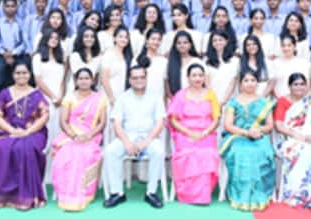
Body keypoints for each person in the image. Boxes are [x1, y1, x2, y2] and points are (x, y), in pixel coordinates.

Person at [103, 66, 167, 209]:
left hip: (149, 137)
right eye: (135, 78)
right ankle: (117, 193)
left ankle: (151, 192)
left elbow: (159, 123)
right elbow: (117, 123)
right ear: (130, 80)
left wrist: (146, 142)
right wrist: (127, 143)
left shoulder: (155, 97)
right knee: (110, 151)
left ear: (146, 78)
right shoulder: (123, 98)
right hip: (127, 136)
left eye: (142, 77)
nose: (139, 80)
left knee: (158, 151)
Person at [0, 61, 50, 210]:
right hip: (9, 131)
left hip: (34, 132)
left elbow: (44, 116)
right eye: (18, 73)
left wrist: (27, 132)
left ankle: (27, 197)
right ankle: (4, 196)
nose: (21, 76)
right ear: (13, 75)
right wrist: (11, 130)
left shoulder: (37, 94)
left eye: (24, 73)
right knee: (1, 149)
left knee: (26, 149)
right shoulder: (5, 93)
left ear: (29, 75)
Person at [274, 73, 311, 210]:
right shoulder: (283, 102)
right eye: (296, 84)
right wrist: (297, 135)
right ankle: (298, 193)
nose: (299, 87)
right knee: (302, 151)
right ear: (289, 86)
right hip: (290, 138)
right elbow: (279, 125)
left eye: (302, 84)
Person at [51, 68, 107, 211]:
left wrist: (88, 135)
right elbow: (63, 121)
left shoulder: (100, 98)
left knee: (85, 154)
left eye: (87, 78)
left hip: (91, 136)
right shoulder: (69, 97)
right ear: (76, 81)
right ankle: (66, 193)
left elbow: (102, 123)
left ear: (92, 80)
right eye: (80, 78)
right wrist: (74, 136)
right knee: (68, 154)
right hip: (70, 136)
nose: (84, 81)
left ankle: (84, 194)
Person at [219, 70, 276, 211]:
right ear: (241, 84)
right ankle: (241, 195)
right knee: (242, 153)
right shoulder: (233, 102)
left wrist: (258, 131)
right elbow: (228, 125)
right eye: (246, 80)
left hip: (258, 136)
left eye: (252, 80)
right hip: (237, 136)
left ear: (257, 83)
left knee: (260, 152)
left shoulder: (264, 102)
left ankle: (259, 195)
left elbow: (270, 126)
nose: (250, 83)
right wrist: (246, 132)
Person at [167, 64, 220, 204]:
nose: (197, 78)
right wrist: (189, 132)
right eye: (194, 75)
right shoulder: (180, 95)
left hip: (206, 133)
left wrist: (205, 132)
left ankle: (203, 196)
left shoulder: (211, 95)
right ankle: (188, 195)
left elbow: (216, 119)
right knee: (188, 154)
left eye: (200, 75)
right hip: (185, 133)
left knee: (207, 154)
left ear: (204, 77)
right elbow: (173, 120)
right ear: (188, 78)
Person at [32, 30, 67, 146]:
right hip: (44, 97)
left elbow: (63, 80)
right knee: (47, 127)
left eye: (56, 38)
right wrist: (53, 97)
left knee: (58, 129)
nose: (54, 40)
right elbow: (38, 80)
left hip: (60, 98)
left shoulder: (60, 58)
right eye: (51, 37)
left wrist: (60, 97)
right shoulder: (38, 57)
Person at [100, 26, 133, 144]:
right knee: (109, 124)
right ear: (114, 38)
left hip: (122, 94)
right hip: (110, 95)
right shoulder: (108, 54)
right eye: (120, 36)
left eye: (126, 37)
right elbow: (104, 78)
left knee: (120, 124)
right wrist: (111, 98)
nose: (123, 39)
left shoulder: (127, 56)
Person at [0, 0, 25, 92]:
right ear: (4, 8)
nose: (10, 8)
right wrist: (4, 53)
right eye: (7, 6)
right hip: (1, 56)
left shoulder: (21, 22)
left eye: (13, 6)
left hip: (17, 56)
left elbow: (24, 41)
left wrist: (13, 53)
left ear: (17, 7)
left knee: (16, 82)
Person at [205, 29, 240, 112]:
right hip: (211, 99)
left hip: (230, 99)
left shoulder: (235, 61)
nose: (218, 42)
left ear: (226, 41)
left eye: (220, 40)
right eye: (215, 40)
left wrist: (223, 102)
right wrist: (214, 101)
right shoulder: (206, 61)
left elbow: (233, 82)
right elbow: (207, 83)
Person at [166, 30, 205, 98]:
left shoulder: (197, 61)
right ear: (175, 45)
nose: (182, 45)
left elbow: (204, 83)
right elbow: (167, 85)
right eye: (179, 43)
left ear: (190, 45)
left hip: (195, 100)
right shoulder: (169, 62)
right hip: (176, 101)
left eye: (185, 42)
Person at [133, 29, 168, 99]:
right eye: (153, 39)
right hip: (139, 99)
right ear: (146, 40)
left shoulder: (164, 61)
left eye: (159, 39)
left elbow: (165, 85)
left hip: (158, 100)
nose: (156, 42)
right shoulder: (137, 59)